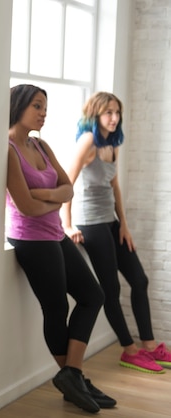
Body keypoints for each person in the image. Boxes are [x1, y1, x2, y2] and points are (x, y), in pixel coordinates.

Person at [6, 84, 113, 413]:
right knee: (56, 310)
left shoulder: (41, 144)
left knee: (93, 295)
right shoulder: (8, 148)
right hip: (30, 239)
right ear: (19, 107)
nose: (43, 112)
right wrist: (50, 197)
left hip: (54, 234)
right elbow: (24, 206)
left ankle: (72, 376)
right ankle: (73, 378)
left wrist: (47, 196)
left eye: (45, 106)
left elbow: (68, 188)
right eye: (37, 106)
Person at [62, 91, 171, 374]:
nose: (114, 118)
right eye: (108, 112)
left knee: (140, 279)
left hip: (110, 223)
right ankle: (129, 350)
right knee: (111, 288)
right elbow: (67, 184)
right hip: (91, 225)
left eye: (117, 112)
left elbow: (115, 185)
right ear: (96, 115)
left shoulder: (113, 143)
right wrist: (68, 225)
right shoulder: (88, 142)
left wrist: (124, 224)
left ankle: (149, 345)